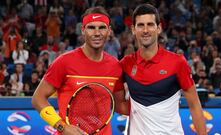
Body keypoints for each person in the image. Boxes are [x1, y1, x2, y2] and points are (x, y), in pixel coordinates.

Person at [32, 6, 127, 135]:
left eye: (102, 27)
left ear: (109, 31)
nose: (97, 33)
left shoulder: (115, 66)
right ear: (83, 30)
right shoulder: (64, 61)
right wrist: (62, 127)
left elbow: (120, 105)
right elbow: (38, 98)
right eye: (91, 27)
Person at [120, 4, 207, 135]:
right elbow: (115, 100)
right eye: (140, 25)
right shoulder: (125, 64)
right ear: (133, 29)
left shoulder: (177, 62)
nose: (145, 30)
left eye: (150, 24)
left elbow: (195, 105)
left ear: (159, 28)